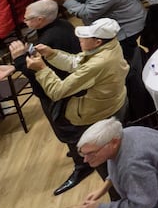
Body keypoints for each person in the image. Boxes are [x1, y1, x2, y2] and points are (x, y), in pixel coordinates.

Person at [27, 18, 130, 195]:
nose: (79, 41)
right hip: (115, 102)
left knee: (101, 159)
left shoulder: (98, 63)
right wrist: (51, 54)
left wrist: (41, 69)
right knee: (115, 150)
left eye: (83, 38)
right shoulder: (110, 45)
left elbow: (57, 91)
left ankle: (118, 198)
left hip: (98, 114)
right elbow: (77, 62)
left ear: (97, 41)